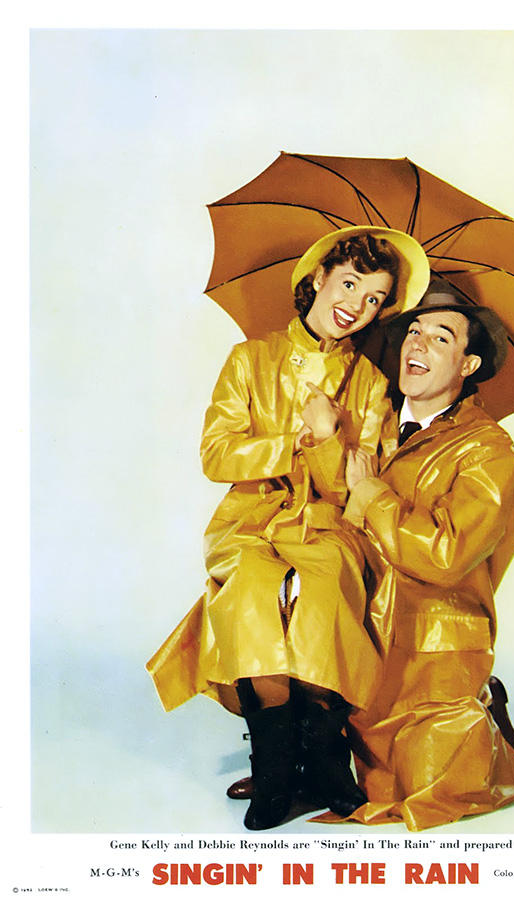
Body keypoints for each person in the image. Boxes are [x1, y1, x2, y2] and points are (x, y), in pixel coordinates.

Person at [146, 226, 430, 831]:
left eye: (375, 298)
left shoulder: (372, 385)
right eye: (348, 283)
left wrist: (329, 441)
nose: (356, 304)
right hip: (251, 521)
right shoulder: (249, 359)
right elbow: (216, 455)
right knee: (253, 593)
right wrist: (295, 440)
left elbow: (355, 486)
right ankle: (275, 770)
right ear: (318, 278)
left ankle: (324, 763)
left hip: (331, 526)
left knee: (321, 599)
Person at [330, 278, 514, 831]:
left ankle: (481, 713)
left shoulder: (489, 452)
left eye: (440, 337)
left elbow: (447, 554)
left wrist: (372, 494)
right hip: (357, 635)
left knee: (425, 792)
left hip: (432, 650)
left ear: (469, 365)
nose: (417, 344)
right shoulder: (368, 421)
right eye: (413, 331)